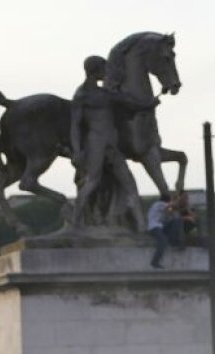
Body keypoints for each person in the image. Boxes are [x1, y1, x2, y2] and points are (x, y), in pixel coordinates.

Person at [70, 55, 157, 231]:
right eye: (103, 68)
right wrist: (77, 150)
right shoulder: (82, 95)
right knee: (92, 181)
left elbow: (131, 103)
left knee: (128, 183)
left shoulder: (104, 94)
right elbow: (75, 126)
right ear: (95, 71)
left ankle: (141, 225)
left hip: (110, 144)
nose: (105, 72)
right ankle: (76, 222)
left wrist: (148, 103)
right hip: (96, 142)